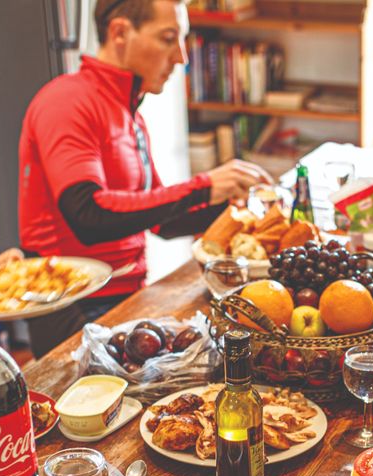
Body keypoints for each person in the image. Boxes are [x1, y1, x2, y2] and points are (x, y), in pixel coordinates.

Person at [17, 0, 274, 356]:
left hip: (127, 295)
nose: (182, 57)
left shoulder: (130, 115)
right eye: (169, 39)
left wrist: (237, 209)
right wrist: (204, 185)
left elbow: (163, 221)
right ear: (120, 32)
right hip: (72, 306)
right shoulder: (67, 101)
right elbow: (88, 215)